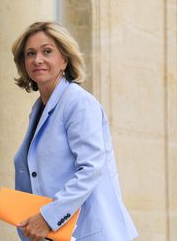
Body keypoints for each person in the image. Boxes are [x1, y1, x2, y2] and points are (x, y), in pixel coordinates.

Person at [12, 22, 138, 241]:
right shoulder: (39, 109)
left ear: (64, 60)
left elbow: (91, 168)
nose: (37, 59)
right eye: (30, 54)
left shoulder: (78, 103)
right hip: (56, 234)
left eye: (47, 51)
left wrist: (47, 218)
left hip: (88, 233)